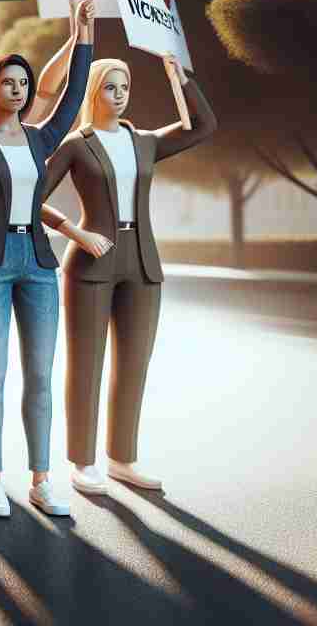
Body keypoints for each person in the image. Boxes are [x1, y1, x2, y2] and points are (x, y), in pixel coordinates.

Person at [41, 54, 214, 496]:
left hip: (142, 261)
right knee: (87, 365)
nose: (118, 96)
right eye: (109, 88)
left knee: (133, 365)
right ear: (93, 91)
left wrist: (181, 80)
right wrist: (75, 233)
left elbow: (203, 126)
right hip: (91, 262)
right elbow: (27, 194)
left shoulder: (145, 142)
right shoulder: (76, 145)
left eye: (125, 88)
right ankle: (82, 461)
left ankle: (122, 458)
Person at [0, 0, 93, 519]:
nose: (16, 90)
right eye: (7, 82)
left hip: (39, 263)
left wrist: (82, 36)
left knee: (40, 375)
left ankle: (41, 478)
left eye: (23, 83)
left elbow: (73, 95)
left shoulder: (42, 139)